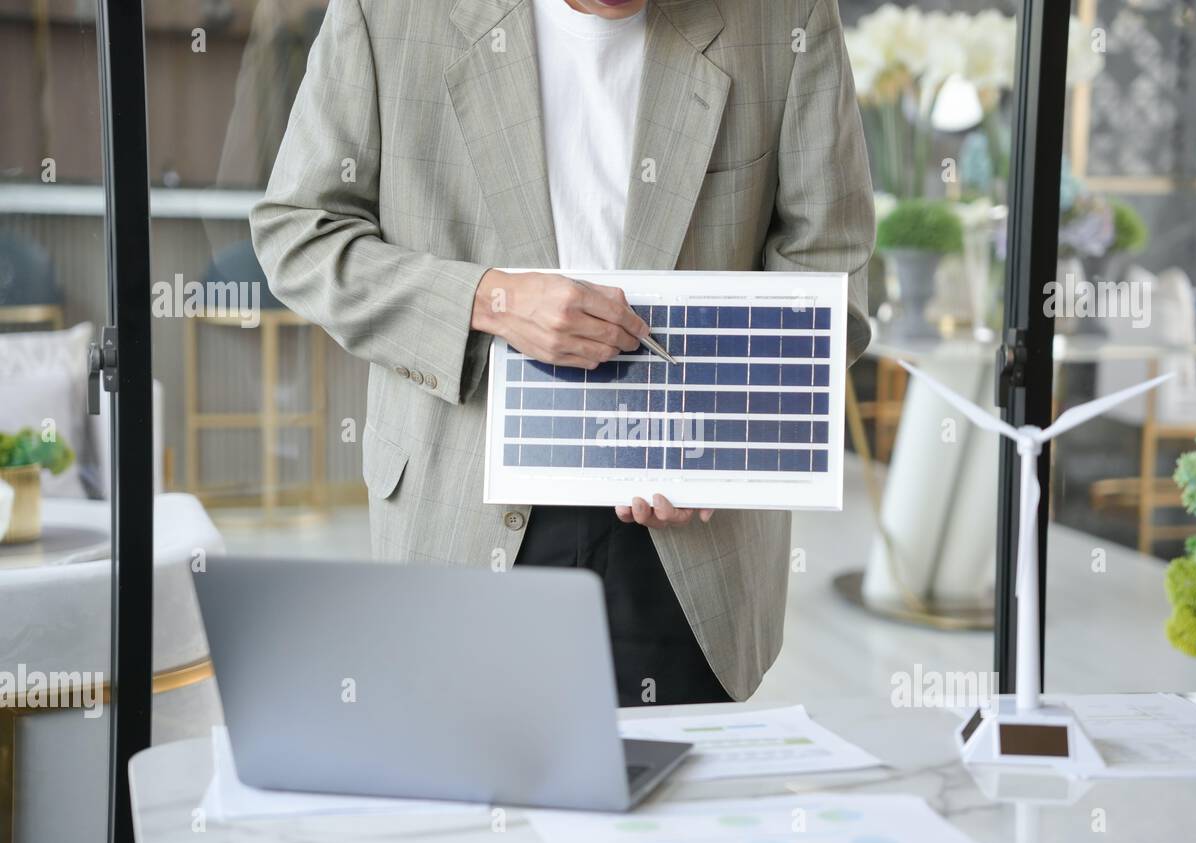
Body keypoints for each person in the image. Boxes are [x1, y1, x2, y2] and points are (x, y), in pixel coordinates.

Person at [251, 0, 874, 706]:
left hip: (689, 548)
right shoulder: (386, 14)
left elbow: (830, 264)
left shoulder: (783, 20)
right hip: (459, 499)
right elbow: (301, 234)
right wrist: (490, 301)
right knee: (471, 795)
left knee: (676, 806)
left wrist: (727, 442)